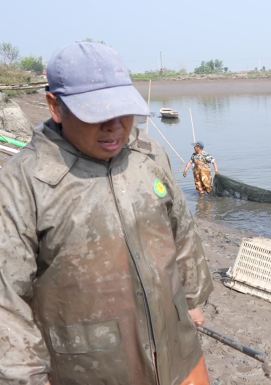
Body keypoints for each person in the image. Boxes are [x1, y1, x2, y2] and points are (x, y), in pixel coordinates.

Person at [0, 42, 213, 385]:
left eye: (123, 111)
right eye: (97, 114)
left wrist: (192, 299)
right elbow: (6, 301)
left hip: (178, 351)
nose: (115, 127)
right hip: (90, 369)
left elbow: (181, 230)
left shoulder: (149, 156)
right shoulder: (22, 182)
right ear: (56, 106)